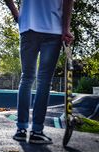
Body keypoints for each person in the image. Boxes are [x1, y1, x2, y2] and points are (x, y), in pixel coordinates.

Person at [5, 0, 74, 144]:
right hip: (53, 28)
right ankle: (37, 131)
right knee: (44, 81)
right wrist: (66, 29)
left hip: (28, 27)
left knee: (27, 78)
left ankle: (21, 130)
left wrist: (17, 14)